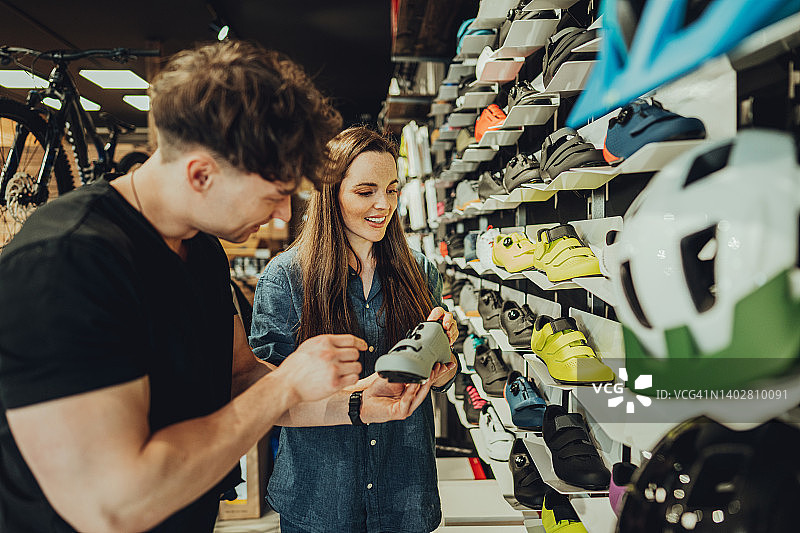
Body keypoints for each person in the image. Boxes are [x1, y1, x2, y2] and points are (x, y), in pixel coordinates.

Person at [0, 41, 435, 533]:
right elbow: (114, 504)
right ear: (201, 173)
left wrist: (356, 402)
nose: (280, 215)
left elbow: (242, 379)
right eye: (273, 196)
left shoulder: (201, 250)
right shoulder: (67, 264)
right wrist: (288, 381)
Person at [249, 126, 460, 533]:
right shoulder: (286, 278)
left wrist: (442, 362)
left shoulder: (420, 271)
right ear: (332, 194)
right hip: (322, 498)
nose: (384, 204)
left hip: (404, 494)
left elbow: (441, 381)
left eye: (393, 190)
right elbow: (267, 396)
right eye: (366, 192)